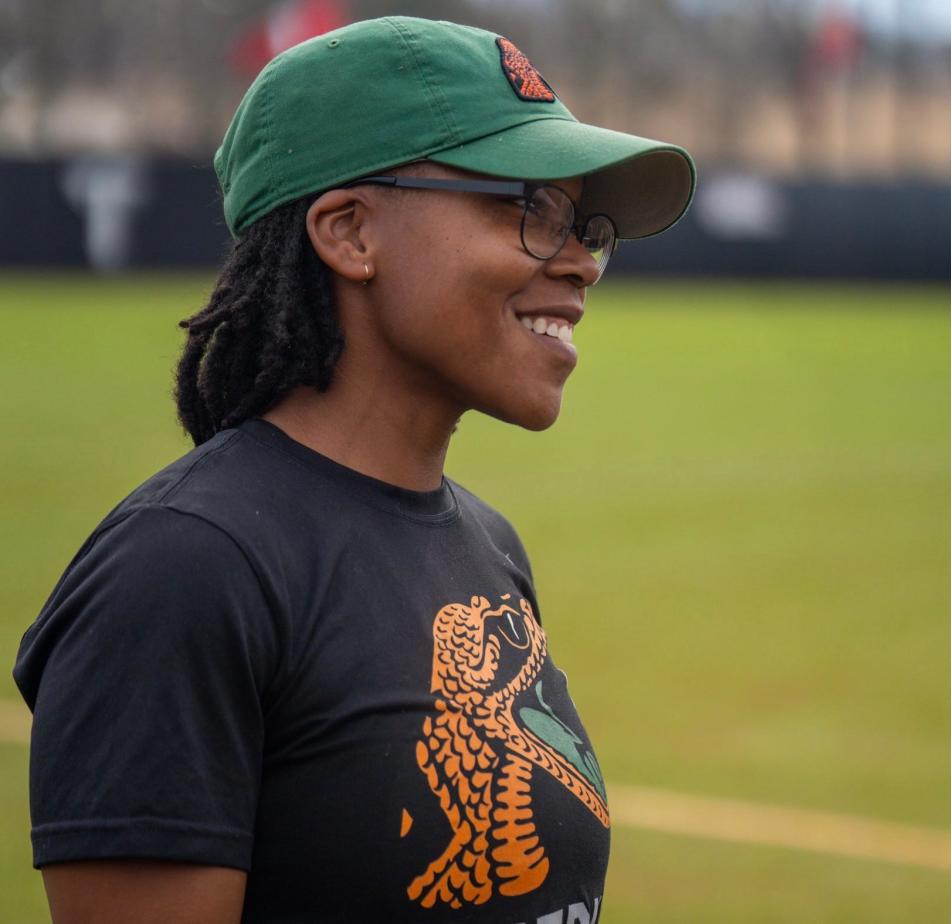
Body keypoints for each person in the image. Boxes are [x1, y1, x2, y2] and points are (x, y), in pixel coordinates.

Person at [14, 16, 695, 924]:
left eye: (586, 225)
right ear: (348, 231)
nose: (581, 264)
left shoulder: (489, 546)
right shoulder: (183, 572)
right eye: (531, 208)